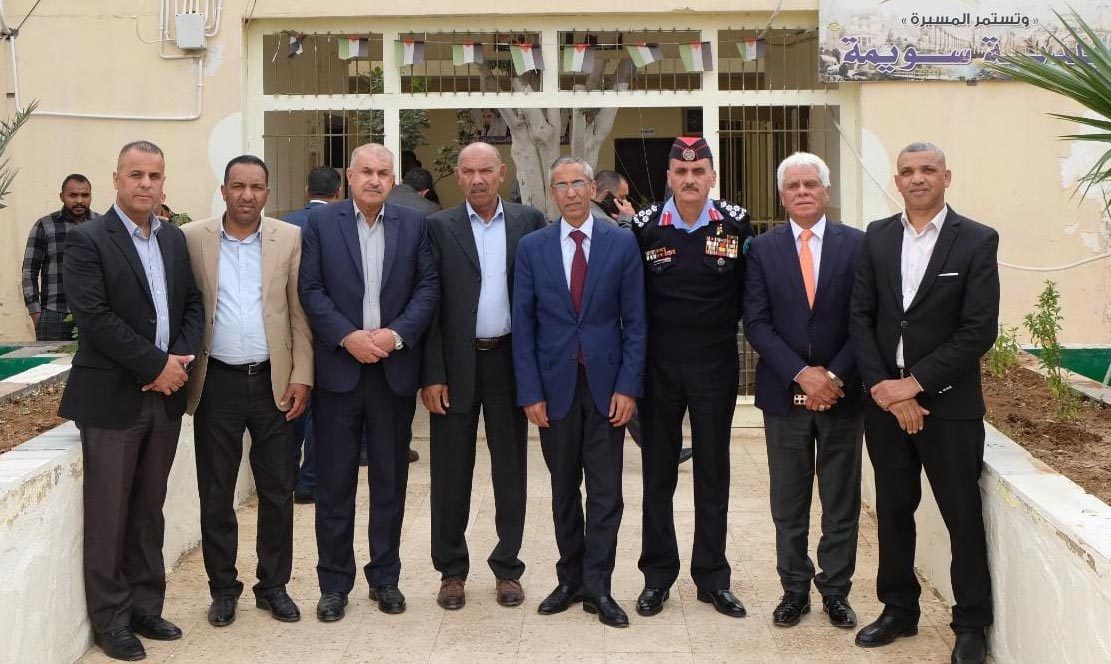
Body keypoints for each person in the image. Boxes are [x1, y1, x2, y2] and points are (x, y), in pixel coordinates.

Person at [850, 142, 999, 664]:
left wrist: (913, 385)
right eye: (908, 171)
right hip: (885, 405)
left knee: (961, 515)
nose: (918, 178)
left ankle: (971, 625)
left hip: (949, 406)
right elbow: (860, 318)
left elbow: (978, 330)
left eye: (928, 170)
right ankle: (898, 609)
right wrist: (885, 390)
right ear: (897, 180)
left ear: (946, 177)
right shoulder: (877, 236)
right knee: (893, 510)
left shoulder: (976, 239)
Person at [59, 141, 204, 661]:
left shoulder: (172, 239)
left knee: (149, 510)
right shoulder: (87, 240)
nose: (146, 184)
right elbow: (94, 318)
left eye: (154, 175)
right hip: (112, 399)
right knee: (109, 515)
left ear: (164, 182)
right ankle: (112, 620)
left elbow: (192, 304)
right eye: (136, 174)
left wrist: (178, 361)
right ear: (117, 179)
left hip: (164, 397)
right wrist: (155, 366)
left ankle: (145, 607)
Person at [299, 143, 438, 621]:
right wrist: (347, 336)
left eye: (383, 172)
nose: (375, 180)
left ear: (392, 179)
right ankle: (334, 584)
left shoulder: (414, 224)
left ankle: (385, 579)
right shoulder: (322, 224)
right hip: (339, 373)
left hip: (392, 374)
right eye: (366, 172)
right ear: (350, 176)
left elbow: (427, 288)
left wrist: (395, 336)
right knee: (334, 485)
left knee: (390, 483)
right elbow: (310, 288)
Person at [513, 156, 646, 628]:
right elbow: (524, 326)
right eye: (561, 185)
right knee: (563, 488)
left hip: (608, 388)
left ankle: (599, 585)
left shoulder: (620, 242)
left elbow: (636, 321)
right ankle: (570, 578)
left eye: (578, 183)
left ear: (593, 189)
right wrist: (530, 392)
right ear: (552, 194)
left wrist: (629, 387)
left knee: (606, 491)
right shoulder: (532, 248)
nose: (570, 192)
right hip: (555, 388)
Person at [182, 155, 314, 628]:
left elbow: (299, 312)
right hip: (216, 381)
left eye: (256, 187)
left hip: (274, 382)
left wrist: (302, 375)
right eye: (238, 186)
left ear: (267, 192)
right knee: (216, 491)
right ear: (224, 191)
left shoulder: (289, 238)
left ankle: (273, 586)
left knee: (277, 489)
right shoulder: (193, 238)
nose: (247, 195)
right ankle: (223, 589)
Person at [630, 136, 754, 619]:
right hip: (658, 366)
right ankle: (657, 576)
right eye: (680, 172)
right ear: (669, 177)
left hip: (714, 363)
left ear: (712, 177)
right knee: (658, 474)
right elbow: (632, 301)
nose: (689, 179)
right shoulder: (645, 227)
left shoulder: (735, 224)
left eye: (698, 171)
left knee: (713, 472)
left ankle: (712, 577)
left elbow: (746, 293)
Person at [421, 142, 546, 610]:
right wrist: (432, 373)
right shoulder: (438, 227)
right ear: (458, 176)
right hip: (455, 367)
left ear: (501, 173)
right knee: (450, 472)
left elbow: (541, 300)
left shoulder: (528, 221)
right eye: (468, 171)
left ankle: (508, 567)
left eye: (485, 171)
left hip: (508, 363)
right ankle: (451, 571)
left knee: (510, 470)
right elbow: (429, 304)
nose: (477, 179)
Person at [743, 152, 865, 630]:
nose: (802, 192)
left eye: (811, 184)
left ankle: (835, 591)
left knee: (840, 500)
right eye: (793, 185)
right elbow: (756, 322)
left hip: (842, 394)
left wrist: (832, 377)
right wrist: (802, 374)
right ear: (781, 195)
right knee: (788, 501)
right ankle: (794, 588)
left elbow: (864, 319)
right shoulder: (763, 249)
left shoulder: (857, 245)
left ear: (827, 191)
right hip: (783, 394)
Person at [282, 166, 343, 504]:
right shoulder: (339, 225)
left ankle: (287, 476)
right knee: (321, 412)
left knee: (292, 407)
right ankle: (309, 481)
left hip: (289, 330)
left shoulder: (284, 224)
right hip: (326, 330)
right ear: (339, 191)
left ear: (307, 189)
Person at [22, 174, 100, 341]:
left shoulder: (101, 225)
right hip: (53, 314)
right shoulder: (45, 225)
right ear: (62, 196)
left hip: (94, 313)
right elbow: (29, 271)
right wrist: (35, 312)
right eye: (73, 195)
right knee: (50, 359)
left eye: (85, 195)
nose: (79, 200)